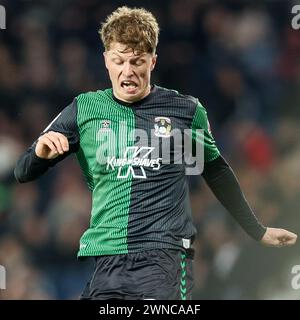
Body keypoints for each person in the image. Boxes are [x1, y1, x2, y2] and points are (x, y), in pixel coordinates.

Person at [14, 6, 297, 300]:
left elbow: (216, 170)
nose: (128, 70)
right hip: (107, 261)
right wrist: (41, 153)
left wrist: (257, 230)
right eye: (119, 60)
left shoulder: (186, 111)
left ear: (153, 61)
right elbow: (23, 170)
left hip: (165, 259)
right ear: (106, 61)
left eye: (137, 61)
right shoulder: (84, 109)